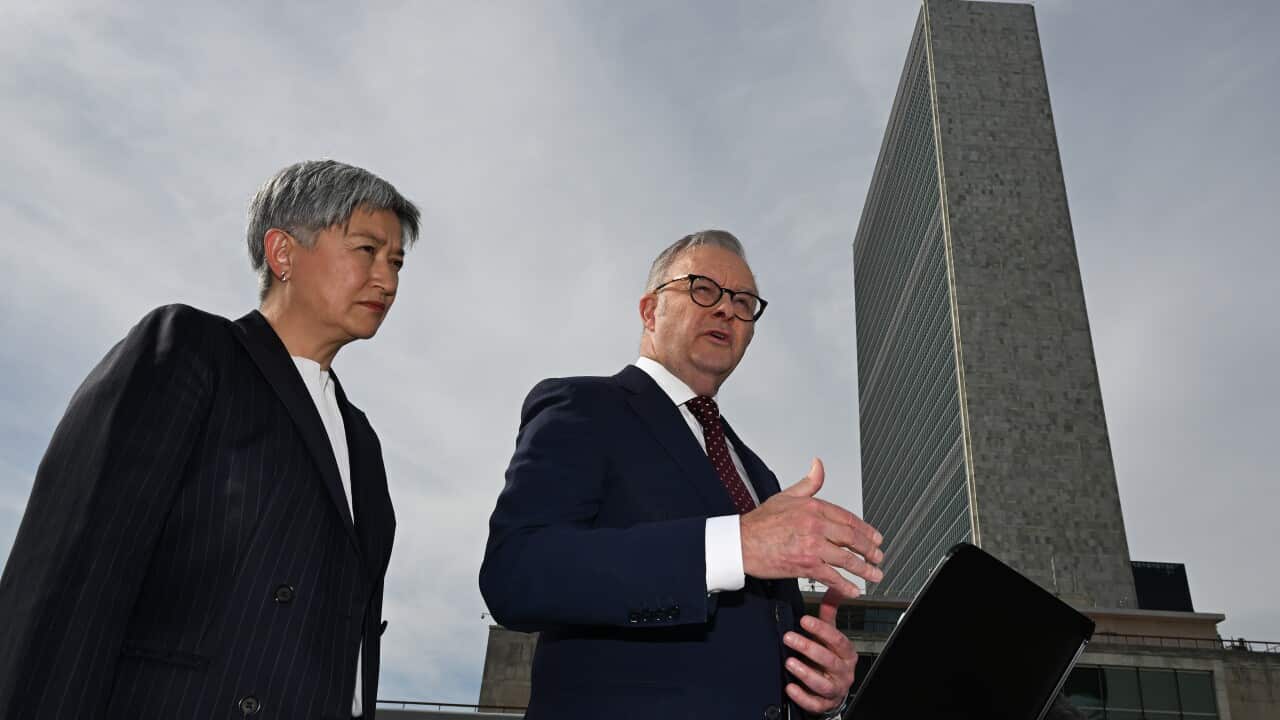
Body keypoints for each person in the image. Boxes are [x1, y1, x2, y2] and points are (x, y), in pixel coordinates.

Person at [0, 160, 419, 719]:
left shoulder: (362, 442)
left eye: (396, 262)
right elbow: (75, 572)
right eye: (367, 251)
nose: (387, 281)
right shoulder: (190, 352)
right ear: (283, 253)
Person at [480, 230, 885, 719]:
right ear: (651, 311)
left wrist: (825, 688)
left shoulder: (757, 473)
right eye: (703, 288)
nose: (726, 309)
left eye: (743, 301)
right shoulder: (584, 407)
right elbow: (517, 573)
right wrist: (734, 545)